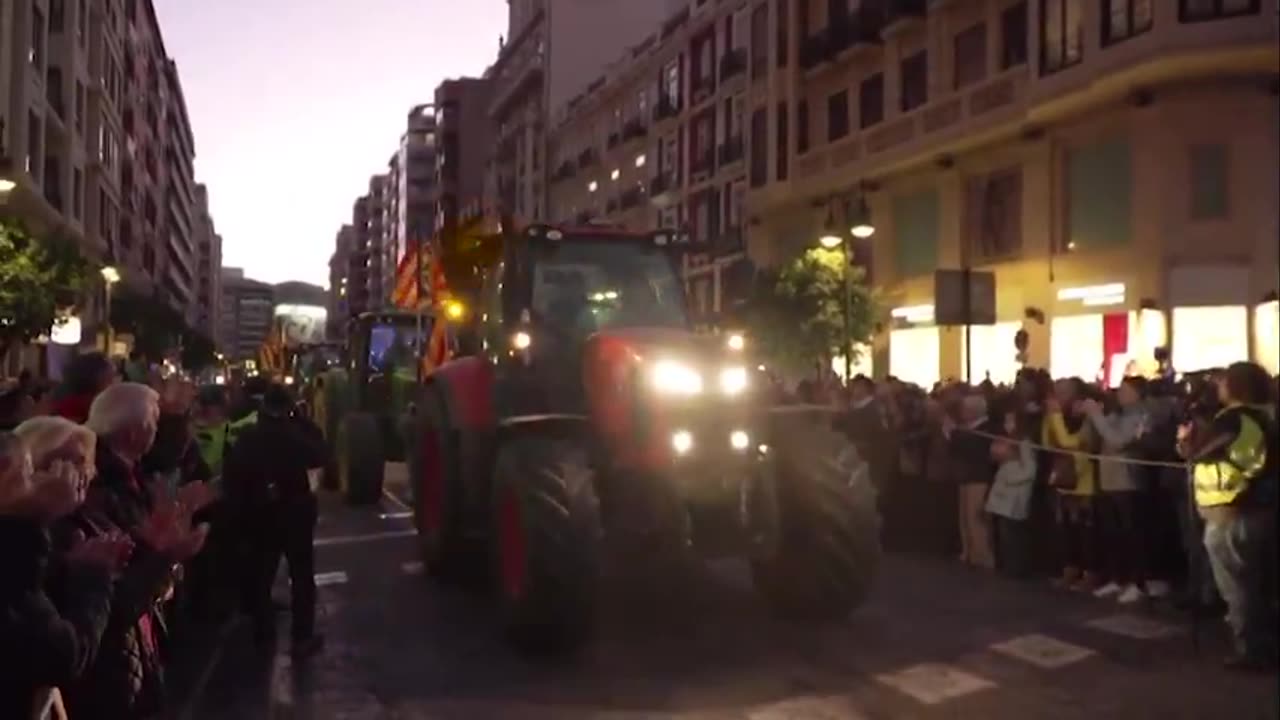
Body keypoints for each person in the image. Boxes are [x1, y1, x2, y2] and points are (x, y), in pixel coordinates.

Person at [0, 430, 130, 720]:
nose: (71, 476)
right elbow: (60, 654)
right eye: (30, 472)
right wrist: (92, 577)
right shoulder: (38, 539)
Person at [1178, 361, 1278, 671]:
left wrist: (1186, 437)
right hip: (1259, 508)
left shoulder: (1234, 419)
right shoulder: (1266, 416)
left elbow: (1197, 450)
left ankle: (1251, 651)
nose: (1218, 387)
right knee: (1258, 585)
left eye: (1223, 382)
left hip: (1232, 512)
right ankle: (1263, 644)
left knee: (1238, 588)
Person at [225, 383, 328, 657]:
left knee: (262, 577)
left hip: (261, 515)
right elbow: (321, 454)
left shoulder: (248, 438)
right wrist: (303, 421)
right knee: (302, 578)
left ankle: (263, 636)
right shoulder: (298, 436)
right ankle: (301, 637)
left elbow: (234, 478)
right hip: (297, 514)